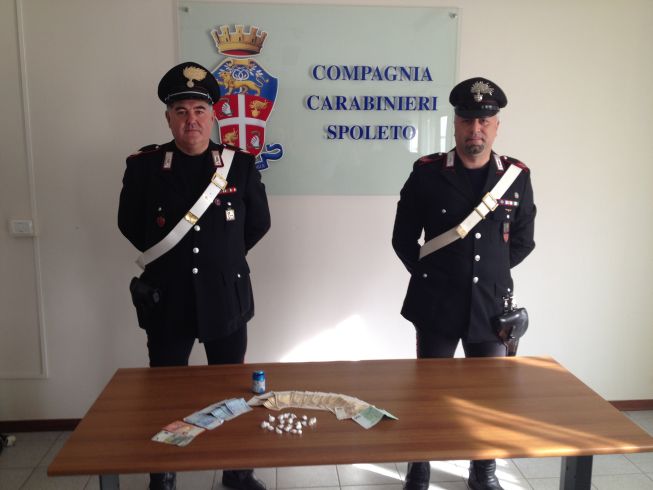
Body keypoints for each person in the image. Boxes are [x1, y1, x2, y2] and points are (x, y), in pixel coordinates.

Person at [118, 61, 271, 490]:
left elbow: (258, 223)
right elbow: (129, 224)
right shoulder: (145, 166)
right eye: (181, 111)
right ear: (168, 118)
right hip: (168, 299)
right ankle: (163, 472)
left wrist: (223, 259)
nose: (191, 120)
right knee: (165, 392)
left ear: (213, 115)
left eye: (200, 111)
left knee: (231, 390)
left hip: (226, 296)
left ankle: (236, 470)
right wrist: (173, 263)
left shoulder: (239, 164)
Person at [392, 77, 536, 490]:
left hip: (491, 309)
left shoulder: (516, 177)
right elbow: (403, 238)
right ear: (455, 124)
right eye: (468, 120)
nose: (476, 129)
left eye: (485, 121)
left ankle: (483, 471)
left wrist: (488, 276)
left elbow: (522, 241)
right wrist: (434, 278)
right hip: (436, 306)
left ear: (496, 126)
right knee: (429, 393)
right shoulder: (427, 174)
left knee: (487, 398)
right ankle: (420, 466)